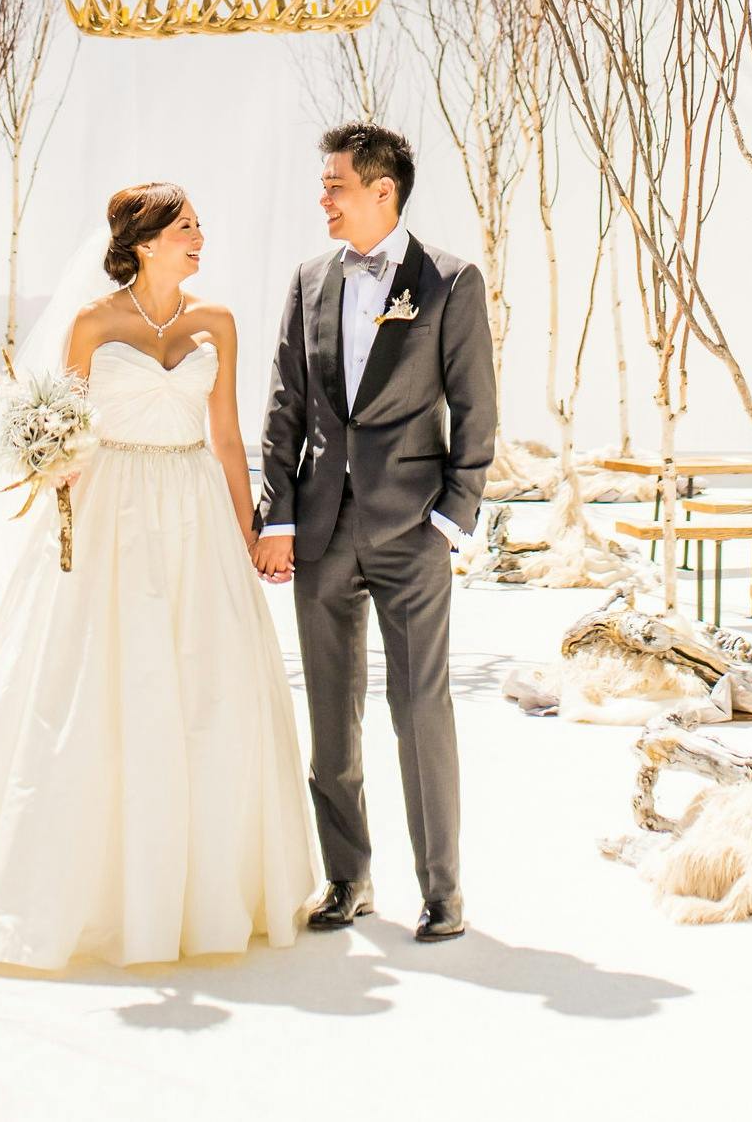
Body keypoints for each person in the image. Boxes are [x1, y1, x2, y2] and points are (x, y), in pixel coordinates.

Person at [0, 183, 319, 970]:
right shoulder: (93, 323)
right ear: (143, 241)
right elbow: (65, 424)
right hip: (110, 510)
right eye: (185, 227)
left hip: (195, 507)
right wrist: (56, 468)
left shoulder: (217, 321)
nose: (199, 237)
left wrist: (249, 529)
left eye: (199, 225)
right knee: (97, 677)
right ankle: (82, 886)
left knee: (204, 681)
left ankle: (205, 884)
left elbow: (227, 437)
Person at [252, 122, 497, 943]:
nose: (323, 198)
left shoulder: (450, 281)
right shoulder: (309, 280)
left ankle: (442, 891)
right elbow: (286, 404)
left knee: (419, 708)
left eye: (336, 185)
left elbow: (476, 408)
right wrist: (279, 515)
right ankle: (347, 878)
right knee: (331, 711)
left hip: (412, 528)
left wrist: (451, 519)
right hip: (321, 527)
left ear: (382, 190)